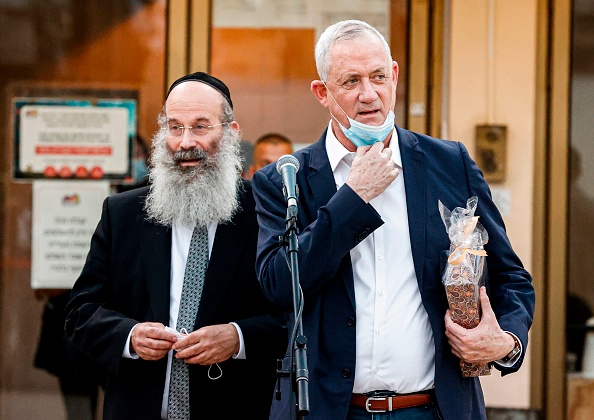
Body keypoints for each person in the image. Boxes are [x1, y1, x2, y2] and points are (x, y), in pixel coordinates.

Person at [252, 20, 535, 420]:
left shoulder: (450, 163)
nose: (369, 94)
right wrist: (353, 198)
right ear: (323, 92)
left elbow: (511, 277)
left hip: (433, 408)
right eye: (351, 81)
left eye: (379, 77)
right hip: (327, 410)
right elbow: (281, 286)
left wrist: (506, 342)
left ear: (395, 76)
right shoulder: (284, 180)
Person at [65, 72, 287, 420]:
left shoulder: (264, 214)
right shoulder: (123, 213)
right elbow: (81, 311)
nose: (185, 142)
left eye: (200, 127)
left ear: (231, 134)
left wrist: (238, 338)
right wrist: (130, 335)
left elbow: (295, 316)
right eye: (174, 127)